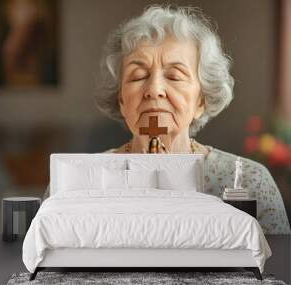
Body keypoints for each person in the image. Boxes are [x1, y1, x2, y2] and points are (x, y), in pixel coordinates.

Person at [43, 5, 290, 234]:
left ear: (201, 100)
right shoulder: (78, 180)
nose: (154, 89)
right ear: (121, 99)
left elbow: (279, 270)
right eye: (138, 76)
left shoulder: (249, 181)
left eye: (174, 76)